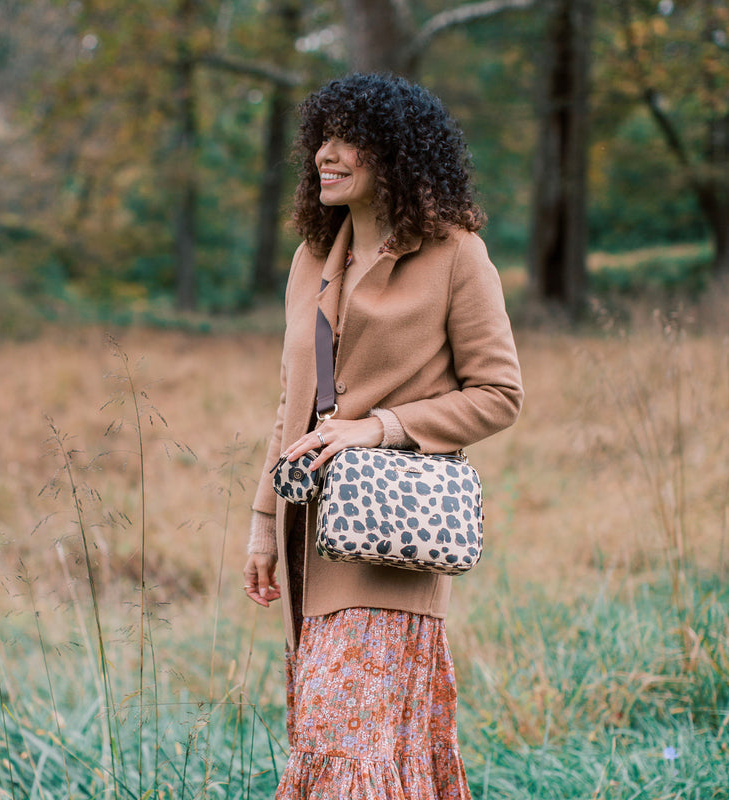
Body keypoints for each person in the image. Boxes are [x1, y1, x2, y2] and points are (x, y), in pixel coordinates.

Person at [243, 73, 523, 799]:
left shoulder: (457, 254)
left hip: (386, 541)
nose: (325, 156)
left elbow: (499, 394)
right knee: (334, 746)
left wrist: (382, 427)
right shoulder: (310, 260)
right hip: (307, 537)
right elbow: (289, 405)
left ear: (397, 155)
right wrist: (262, 525)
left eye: (348, 141)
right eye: (320, 140)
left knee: (347, 747)